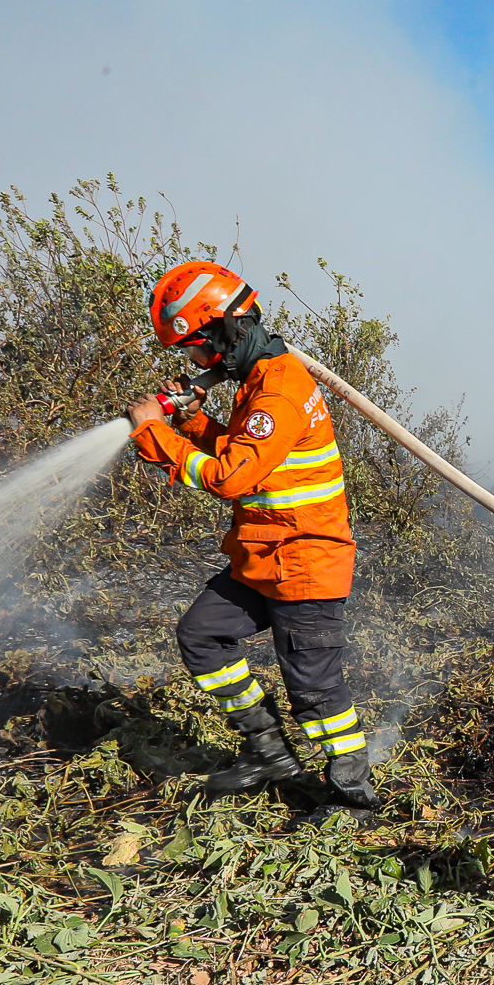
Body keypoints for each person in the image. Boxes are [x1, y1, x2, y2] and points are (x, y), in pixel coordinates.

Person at [126, 261, 380, 812]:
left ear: (226, 330)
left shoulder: (280, 391)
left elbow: (230, 477)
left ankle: (353, 796)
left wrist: (154, 435)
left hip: (305, 564)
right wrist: (192, 422)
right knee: (201, 634)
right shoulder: (262, 382)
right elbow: (244, 453)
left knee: (315, 690)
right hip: (264, 559)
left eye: (195, 347)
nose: (195, 362)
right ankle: (267, 750)